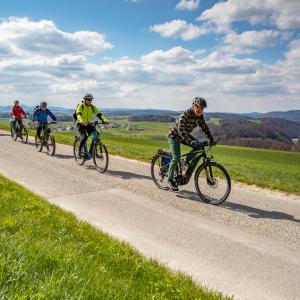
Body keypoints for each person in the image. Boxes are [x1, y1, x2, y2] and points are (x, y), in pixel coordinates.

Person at [167, 97, 215, 191]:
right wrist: (190, 141)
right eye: (199, 108)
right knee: (176, 157)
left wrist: (210, 138)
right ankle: (169, 179)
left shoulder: (199, 116)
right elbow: (181, 130)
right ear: (193, 106)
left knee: (199, 147)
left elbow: (204, 127)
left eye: (202, 109)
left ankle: (185, 162)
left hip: (185, 136)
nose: (201, 110)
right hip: (174, 136)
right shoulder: (185, 115)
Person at [76, 93, 109, 159]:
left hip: (89, 124)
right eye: (88, 99)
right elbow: (78, 114)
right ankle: (79, 152)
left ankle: (93, 152)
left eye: (91, 99)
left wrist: (104, 119)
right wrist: (81, 121)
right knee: (84, 137)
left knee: (96, 135)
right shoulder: (81, 106)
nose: (90, 101)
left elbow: (99, 114)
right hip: (81, 124)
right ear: (85, 100)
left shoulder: (92, 107)